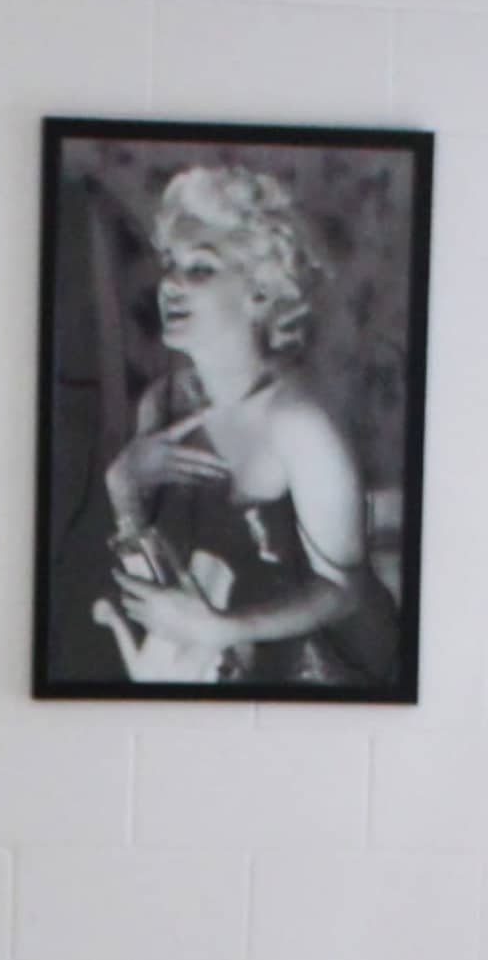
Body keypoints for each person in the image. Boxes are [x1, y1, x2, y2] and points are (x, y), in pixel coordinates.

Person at [91, 165, 400, 691]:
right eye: (170, 265)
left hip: (317, 663)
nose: (169, 285)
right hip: (215, 655)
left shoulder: (299, 422)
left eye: (200, 269)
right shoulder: (162, 402)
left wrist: (220, 628)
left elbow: (342, 591)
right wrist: (121, 485)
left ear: (260, 291)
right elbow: (159, 568)